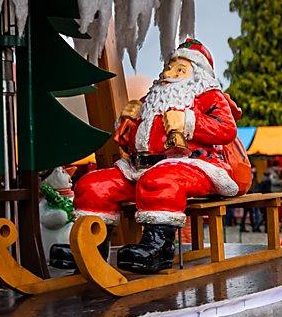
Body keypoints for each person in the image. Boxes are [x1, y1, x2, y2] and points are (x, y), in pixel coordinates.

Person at [73, 39, 246, 274]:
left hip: (192, 164)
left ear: (197, 75)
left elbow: (226, 129)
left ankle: (158, 248)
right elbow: (132, 142)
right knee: (94, 184)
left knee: (161, 181)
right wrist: (127, 123)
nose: (169, 73)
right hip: (139, 167)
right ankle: (90, 245)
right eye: (170, 66)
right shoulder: (151, 101)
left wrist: (188, 121)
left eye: (180, 69)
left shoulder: (209, 97)